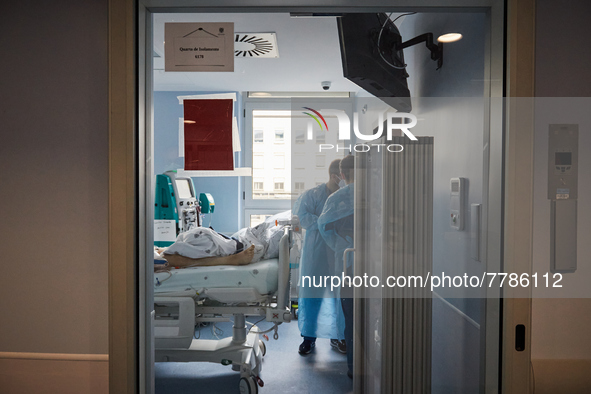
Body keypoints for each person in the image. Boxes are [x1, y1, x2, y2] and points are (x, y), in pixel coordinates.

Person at [293, 159, 346, 355]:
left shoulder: (346, 196)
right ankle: (309, 338)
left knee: (338, 297)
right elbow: (300, 216)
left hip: (339, 253)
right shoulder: (312, 195)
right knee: (312, 296)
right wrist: (324, 222)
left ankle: (339, 337)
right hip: (317, 253)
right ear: (335, 176)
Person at [318, 154, 355, 378]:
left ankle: (354, 368)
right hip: (377, 265)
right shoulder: (380, 194)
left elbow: (325, 229)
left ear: (341, 175)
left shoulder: (337, 199)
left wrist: (344, 245)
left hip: (348, 264)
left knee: (351, 318)